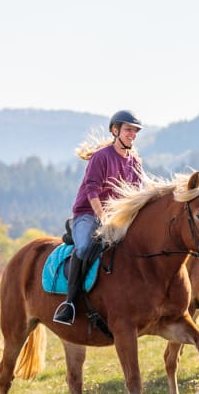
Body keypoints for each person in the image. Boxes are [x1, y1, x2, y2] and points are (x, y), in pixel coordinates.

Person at [53, 110, 145, 325]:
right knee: (84, 248)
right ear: (115, 130)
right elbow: (92, 190)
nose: (132, 134)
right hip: (88, 214)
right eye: (128, 129)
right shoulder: (101, 157)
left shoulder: (136, 163)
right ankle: (71, 303)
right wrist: (103, 217)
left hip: (118, 218)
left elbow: (135, 196)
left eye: (135, 131)